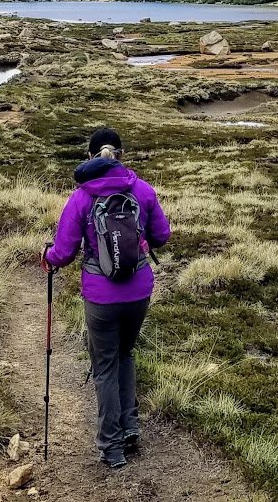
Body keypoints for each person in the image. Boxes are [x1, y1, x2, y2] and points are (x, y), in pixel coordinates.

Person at [43, 127, 172, 470]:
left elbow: (64, 251)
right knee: (126, 354)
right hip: (139, 290)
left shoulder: (82, 196)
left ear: (90, 157)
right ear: (121, 153)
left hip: (100, 295)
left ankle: (111, 447)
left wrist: (48, 258)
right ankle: (130, 429)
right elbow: (162, 235)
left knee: (104, 367)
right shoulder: (142, 189)